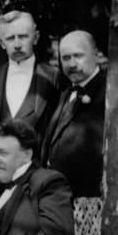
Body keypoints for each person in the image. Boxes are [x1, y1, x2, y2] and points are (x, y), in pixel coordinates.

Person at [0, 11, 59, 171]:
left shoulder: (54, 79)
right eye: (10, 38)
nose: (17, 44)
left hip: (37, 177)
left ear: (35, 38)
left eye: (23, 36)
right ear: (1, 43)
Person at [42, 30, 106, 197]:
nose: (72, 64)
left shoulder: (111, 94)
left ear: (97, 55)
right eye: (66, 58)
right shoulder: (65, 94)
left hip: (93, 199)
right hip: (59, 198)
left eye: (78, 56)